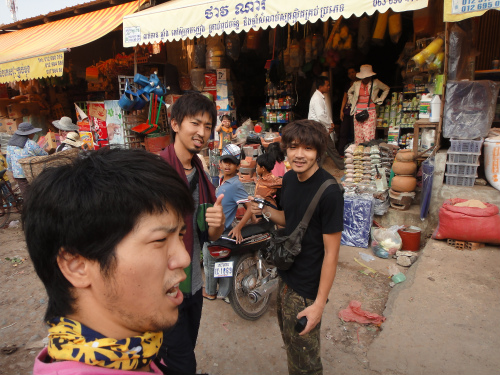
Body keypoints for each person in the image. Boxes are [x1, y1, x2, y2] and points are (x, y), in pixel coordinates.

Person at [24, 148, 193, 374]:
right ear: (77, 266)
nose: (184, 257)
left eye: (180, 235)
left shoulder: (136, 351)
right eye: (160, 239)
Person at [251, 119, 344, 375]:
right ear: (286, 149)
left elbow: (332, 254)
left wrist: (319, 304)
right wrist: (263, 209)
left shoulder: (330, 193)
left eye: (308, 148)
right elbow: (289, 219)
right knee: (292, 347)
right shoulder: (289, 179)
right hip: (286, 279)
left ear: (319, 152)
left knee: (307, 364)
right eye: (293, 147)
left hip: (307, 291)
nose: (299, 154)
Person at [157, 93, 226, 374]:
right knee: (183, 363)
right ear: (175, 124)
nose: (202, 132)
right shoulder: (157, 171)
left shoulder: (201, 171)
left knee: (182, 352)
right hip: (164, 288)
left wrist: (218, 222)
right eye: (195, 123)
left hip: (194, 285)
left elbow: (208, 235)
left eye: (208, 126)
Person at [203, 144, 253, 300]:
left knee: (210, 263)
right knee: (217, 263)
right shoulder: (223, 181)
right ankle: (224, 293)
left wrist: (238, 226)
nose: (227, 165)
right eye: (224, 161)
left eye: (231, 162)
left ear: (238, 166)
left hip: (218, 232)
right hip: (217, 228)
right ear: (220, 162)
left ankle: (210, 292)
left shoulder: (235, 185)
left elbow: (250, 208)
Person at [308, 76, 344, 170]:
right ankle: (315, 169)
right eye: (327, 85)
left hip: (320, 127)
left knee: (328, 148)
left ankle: (341, 165)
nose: (329, 87)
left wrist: (330, 123)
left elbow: (324, 114)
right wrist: (329, 125)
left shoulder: (319, 97)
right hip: (318, 127)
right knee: (323, 149)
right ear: (320, 86)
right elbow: (320, 115)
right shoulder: (317, 98)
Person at [348, 64, 389, 144]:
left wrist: (380, 99)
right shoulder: (356, 84)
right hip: (358, 112)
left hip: (370, 112)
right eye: (364, 77)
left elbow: (386, 88)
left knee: (368, 135)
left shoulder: (376, 83)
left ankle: (368, 153)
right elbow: (349, 92)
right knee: (358, 135)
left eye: (367, 76)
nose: (366, 78)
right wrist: (353, 102)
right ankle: (360, 154)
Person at [6, 122, 48, 198]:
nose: (34, 134)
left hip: (19, 175)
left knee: (27, 196)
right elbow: (45, 155)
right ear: (28, 134)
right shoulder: (30, 143)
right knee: (38, 196)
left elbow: (8, 160)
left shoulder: (10, 145)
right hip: (33, 174)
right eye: (33, 133)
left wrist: (12, 172)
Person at [338, 67, 358, 155]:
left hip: (356, 111)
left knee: (355, 132)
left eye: (353, 72)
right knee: (343, 132)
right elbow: (344, 98)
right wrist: (341, 110)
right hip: (347, 110)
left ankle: (355, 152)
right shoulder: (348, 85)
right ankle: (341, 152)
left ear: (357, 72)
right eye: (349, 73)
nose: (351, 75)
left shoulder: (360, 84)